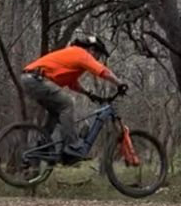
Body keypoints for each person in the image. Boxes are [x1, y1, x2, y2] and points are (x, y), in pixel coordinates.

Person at [21, 35, 128, 163]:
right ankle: (72, 146)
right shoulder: (81, 53)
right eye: (98, 55)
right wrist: (119, 83)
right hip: (36, 79)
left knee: (56, 113)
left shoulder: (73, 55)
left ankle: (42, 145)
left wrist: (89, 94)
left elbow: (72, 84)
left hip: (31, 79)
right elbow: (102, 71)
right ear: (92, 50)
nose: (97, 59)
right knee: (67, 104)